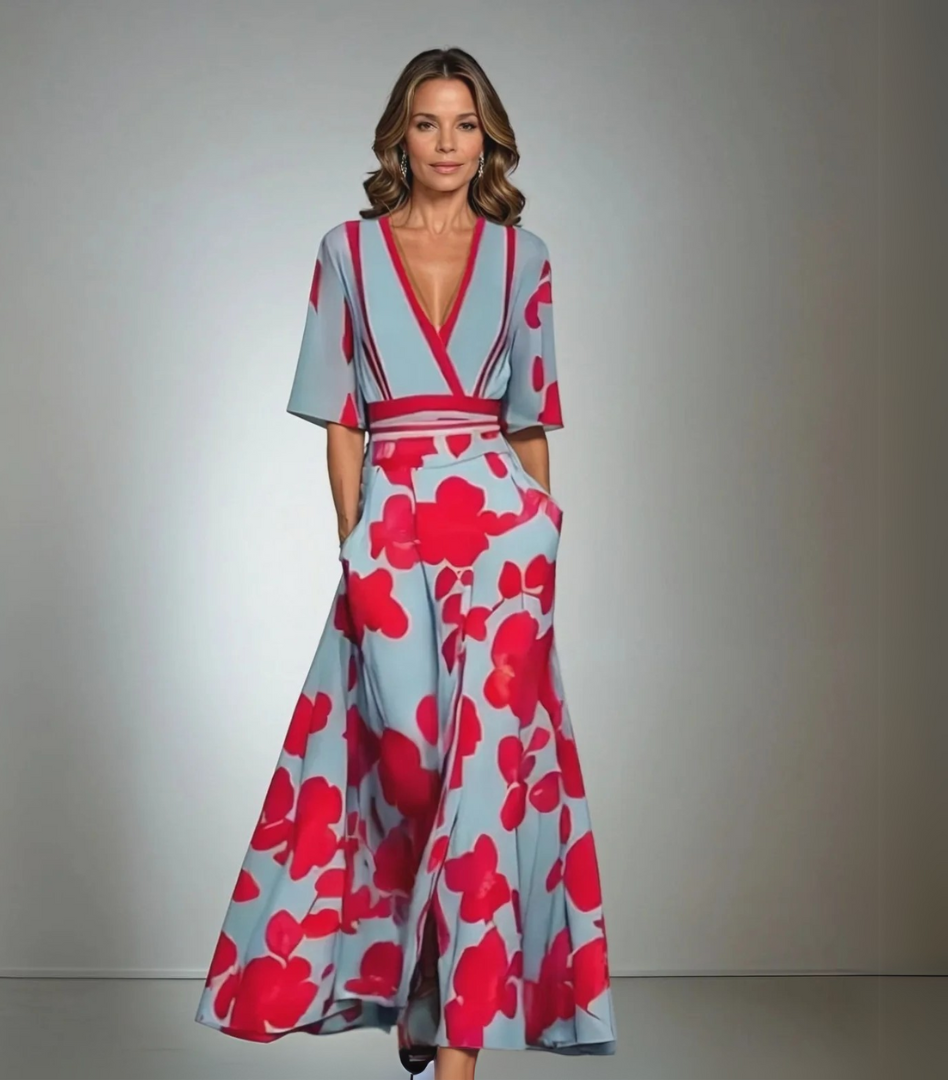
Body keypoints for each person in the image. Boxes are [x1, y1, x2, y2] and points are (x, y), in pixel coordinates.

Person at [195, 45, 617, 1080]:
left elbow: (530, 420)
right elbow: (341, 418)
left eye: (465, 125)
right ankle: (422, 983)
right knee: (411, 765)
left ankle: (460, 1051)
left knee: (484, 790)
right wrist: (355, 540)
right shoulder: (346, 251)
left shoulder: (527, 258)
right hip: (392, 523)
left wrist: (547, 531)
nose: (447, 143)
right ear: (400, 137)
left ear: (489, 140)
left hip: (504, 541)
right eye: (428, 123)